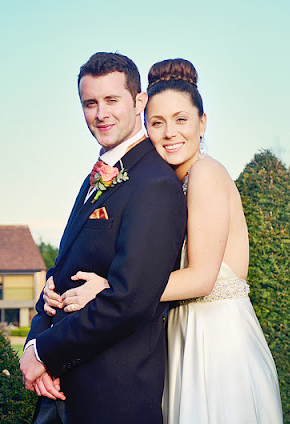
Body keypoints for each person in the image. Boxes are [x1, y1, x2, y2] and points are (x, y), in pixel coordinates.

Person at [45, 58, 283, 423]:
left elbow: (202, 278)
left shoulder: (206, 174)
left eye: (181, 120)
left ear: (202, 123)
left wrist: (113, 288)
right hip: (178, 332)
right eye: (158, 123)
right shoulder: (168, 181)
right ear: (145, 123)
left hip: (214, 340)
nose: (170, 133)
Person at [20, 52, 187, 424]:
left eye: (112, 100)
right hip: (62, 390)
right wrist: (35, 336)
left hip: (112, 397)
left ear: (138, 101)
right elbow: (61, 269)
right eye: (90, 103)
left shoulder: (155, 184)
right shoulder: (99, 173)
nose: (101, 113)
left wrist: (45, 353)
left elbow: (130, 300)